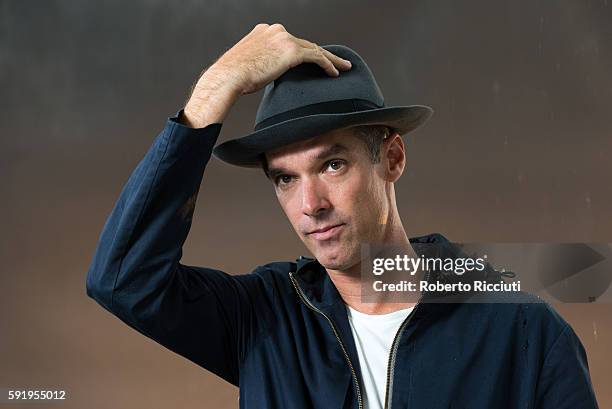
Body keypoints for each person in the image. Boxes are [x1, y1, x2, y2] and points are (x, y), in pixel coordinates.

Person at [86, 23, 599, 408]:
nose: (310, 204)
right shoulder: (264, 320)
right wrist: (217, 85)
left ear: (391, 159)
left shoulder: (524, 332)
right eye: (285, 178)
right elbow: (122, 280)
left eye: (332, 165)